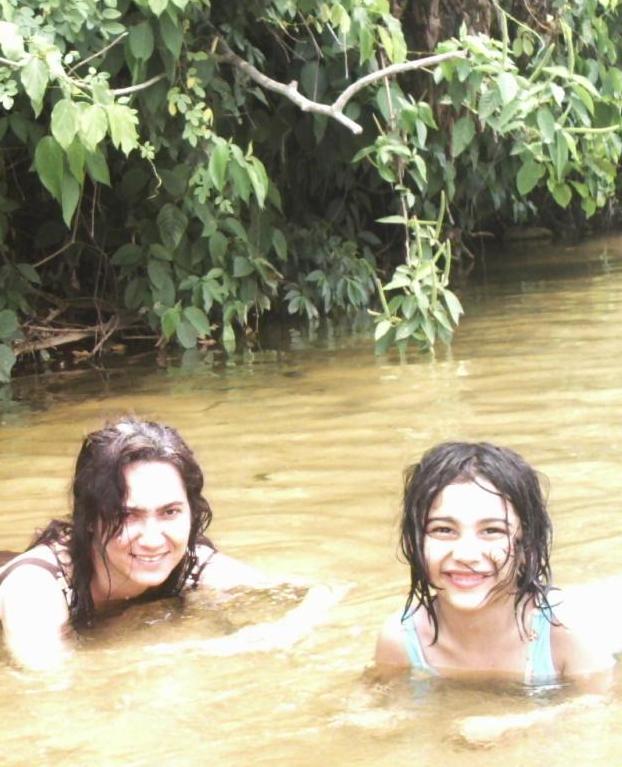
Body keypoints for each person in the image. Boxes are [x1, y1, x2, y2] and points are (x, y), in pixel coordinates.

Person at [0, 417, 341, 670]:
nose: (152, 540)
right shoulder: (34, 587)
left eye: (170, 512)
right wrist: (183, 652)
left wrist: (276, 634)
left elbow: (321, 592)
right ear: (89, 519)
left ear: (192, 512)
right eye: (128, 516)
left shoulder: (189, 561)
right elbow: (48, 676)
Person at [375, 441, 616, 683]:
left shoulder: (567, 634)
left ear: (527, 546)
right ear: (412, 541)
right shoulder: (401, 640)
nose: (465, 555)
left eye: (492, 531)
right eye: (443, 529)